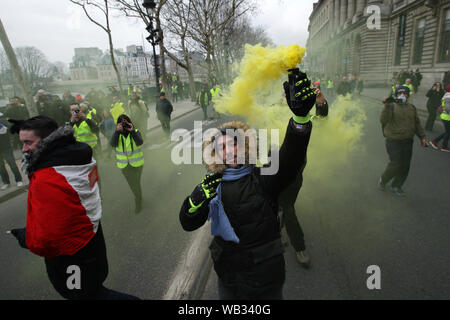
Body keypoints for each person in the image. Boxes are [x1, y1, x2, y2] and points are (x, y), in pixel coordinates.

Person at [179, 70, 316, 300]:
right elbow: (188, 221)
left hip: (264, 279)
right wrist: (197, 198)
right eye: (222, 147)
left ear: (245, 147)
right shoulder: (212, 185)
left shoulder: (263, 177)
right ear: (215, 155)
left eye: (234, 144)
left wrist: (300, 121)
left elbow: (290, 159)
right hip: (228, 277)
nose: (230, 150)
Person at [7, 116, 139, 300]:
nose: (23, 149)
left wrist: (25, 236)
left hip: (71, 259)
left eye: (28, 142)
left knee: (88, 296)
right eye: (22, 143)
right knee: (93, 293)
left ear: (46, 141)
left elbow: (45, 238)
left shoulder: (47, 178)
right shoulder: (77, 158)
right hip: (92, 245)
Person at [278, 86, 328, 269]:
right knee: (283, 208)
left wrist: (321, 103)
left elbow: (320, 122)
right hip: (272, 171)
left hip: (293, 174)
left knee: (285, 207)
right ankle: (294, 244)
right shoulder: (271, 111)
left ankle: (292, 241)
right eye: (287, 96)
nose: (289, 100)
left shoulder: (302, 116)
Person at [379, 86, 428, 197]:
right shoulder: (391, 106)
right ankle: (383, 180)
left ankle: (396, 185)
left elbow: (417, 124)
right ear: (396, 95)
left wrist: (423, 137)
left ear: (408, 95)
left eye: (405, 93)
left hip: (407, 141)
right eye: (400, 93)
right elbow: (383, 120)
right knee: (395, 164)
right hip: (393, 140)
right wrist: (386, 106)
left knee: (405, 165)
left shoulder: (412, 108)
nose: (402, 95)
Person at [110, 114, 144, 214]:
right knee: (133, 185)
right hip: (124, 165)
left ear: (130, 122)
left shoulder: (135, 131)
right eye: (121, 122)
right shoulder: (117, 134)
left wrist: (132, 131)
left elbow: (139, 142)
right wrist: (117, 131)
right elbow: (112, 144)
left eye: (125, 121)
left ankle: (138, 200)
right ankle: (138, 199)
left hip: (137, 164)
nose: (123, 124)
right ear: (117, 124)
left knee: (136, 183)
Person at [0, 111, 23, 190]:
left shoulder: (2, 120)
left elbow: (9, 128)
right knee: (1, 167)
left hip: (5, 146)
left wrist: (3, 128)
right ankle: (6, 182)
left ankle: (19, 180)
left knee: (12, 163)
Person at [429, 85, 450, 152]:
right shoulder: (448, 97)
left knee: (448, 132)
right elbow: (447, 108)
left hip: (445, 117)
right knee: (448, 132)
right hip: (447, 117)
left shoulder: (447, 96)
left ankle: (435, 142)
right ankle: (444, 146)